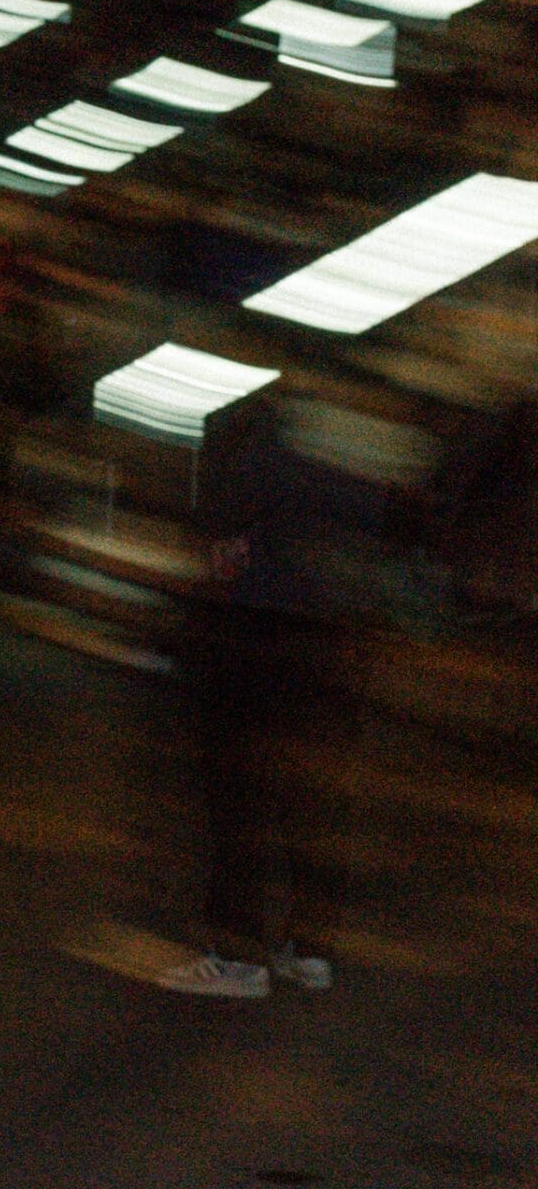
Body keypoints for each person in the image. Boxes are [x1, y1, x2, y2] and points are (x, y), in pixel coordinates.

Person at [154, 396, 343, 1000]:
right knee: (306, 799)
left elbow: (225, 520)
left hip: (256, 635)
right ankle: (310, 950)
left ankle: (237, 955)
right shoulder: (348, 443)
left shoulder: (265, 436)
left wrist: (219, 535)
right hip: (327, 640)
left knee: (238, 798)